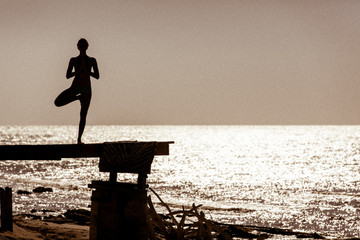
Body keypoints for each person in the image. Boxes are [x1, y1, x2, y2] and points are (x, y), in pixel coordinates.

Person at [54, 38, 99, 144]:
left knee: (83, 114)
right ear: (78, 47)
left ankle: (79, 139)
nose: (82, 48)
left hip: (87, 90)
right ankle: (77, 98)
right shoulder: (73, 60)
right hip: (75, 87)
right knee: (57, 102)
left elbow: (97, 76)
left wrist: (87, 71)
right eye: (80, 46)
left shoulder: (92, 60)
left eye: (84, 46)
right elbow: (67, 75)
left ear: (87, 47)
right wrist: (78, 71)